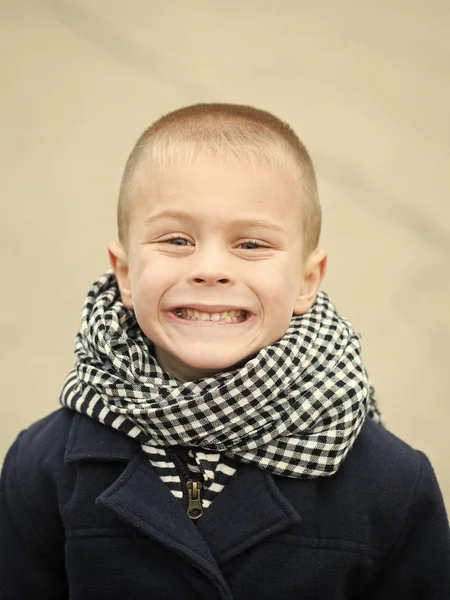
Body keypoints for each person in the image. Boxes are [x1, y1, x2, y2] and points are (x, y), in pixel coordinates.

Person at [1, 104, 449, 600]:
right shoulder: (43, 467)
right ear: (125, 274)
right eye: (176, 239)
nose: (211, 268)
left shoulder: (390, 483)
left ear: (307, 281)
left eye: (251, 244)